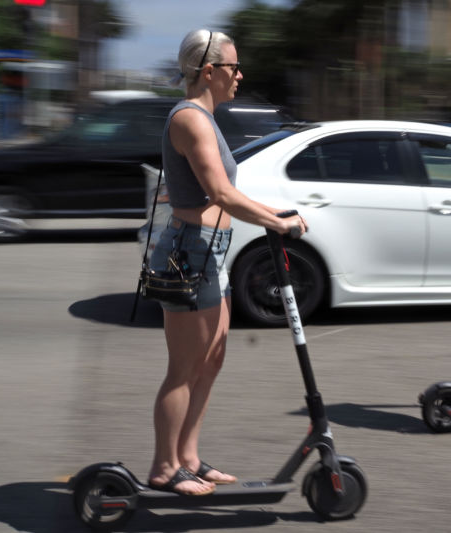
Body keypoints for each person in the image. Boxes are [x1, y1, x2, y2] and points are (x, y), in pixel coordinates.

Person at [146, 29, 307, 496]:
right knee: (184, 366)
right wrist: (275, 222)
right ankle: (163, 465)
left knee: (211, 360)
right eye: (235, 67)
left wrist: (271, 213)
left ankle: (188, 457)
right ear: (210, 71)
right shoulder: (190, 120)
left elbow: (227, 193)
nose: (241, 75)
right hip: (189, 251)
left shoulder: (207, 118)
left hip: (211, 249)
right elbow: (218, 193)